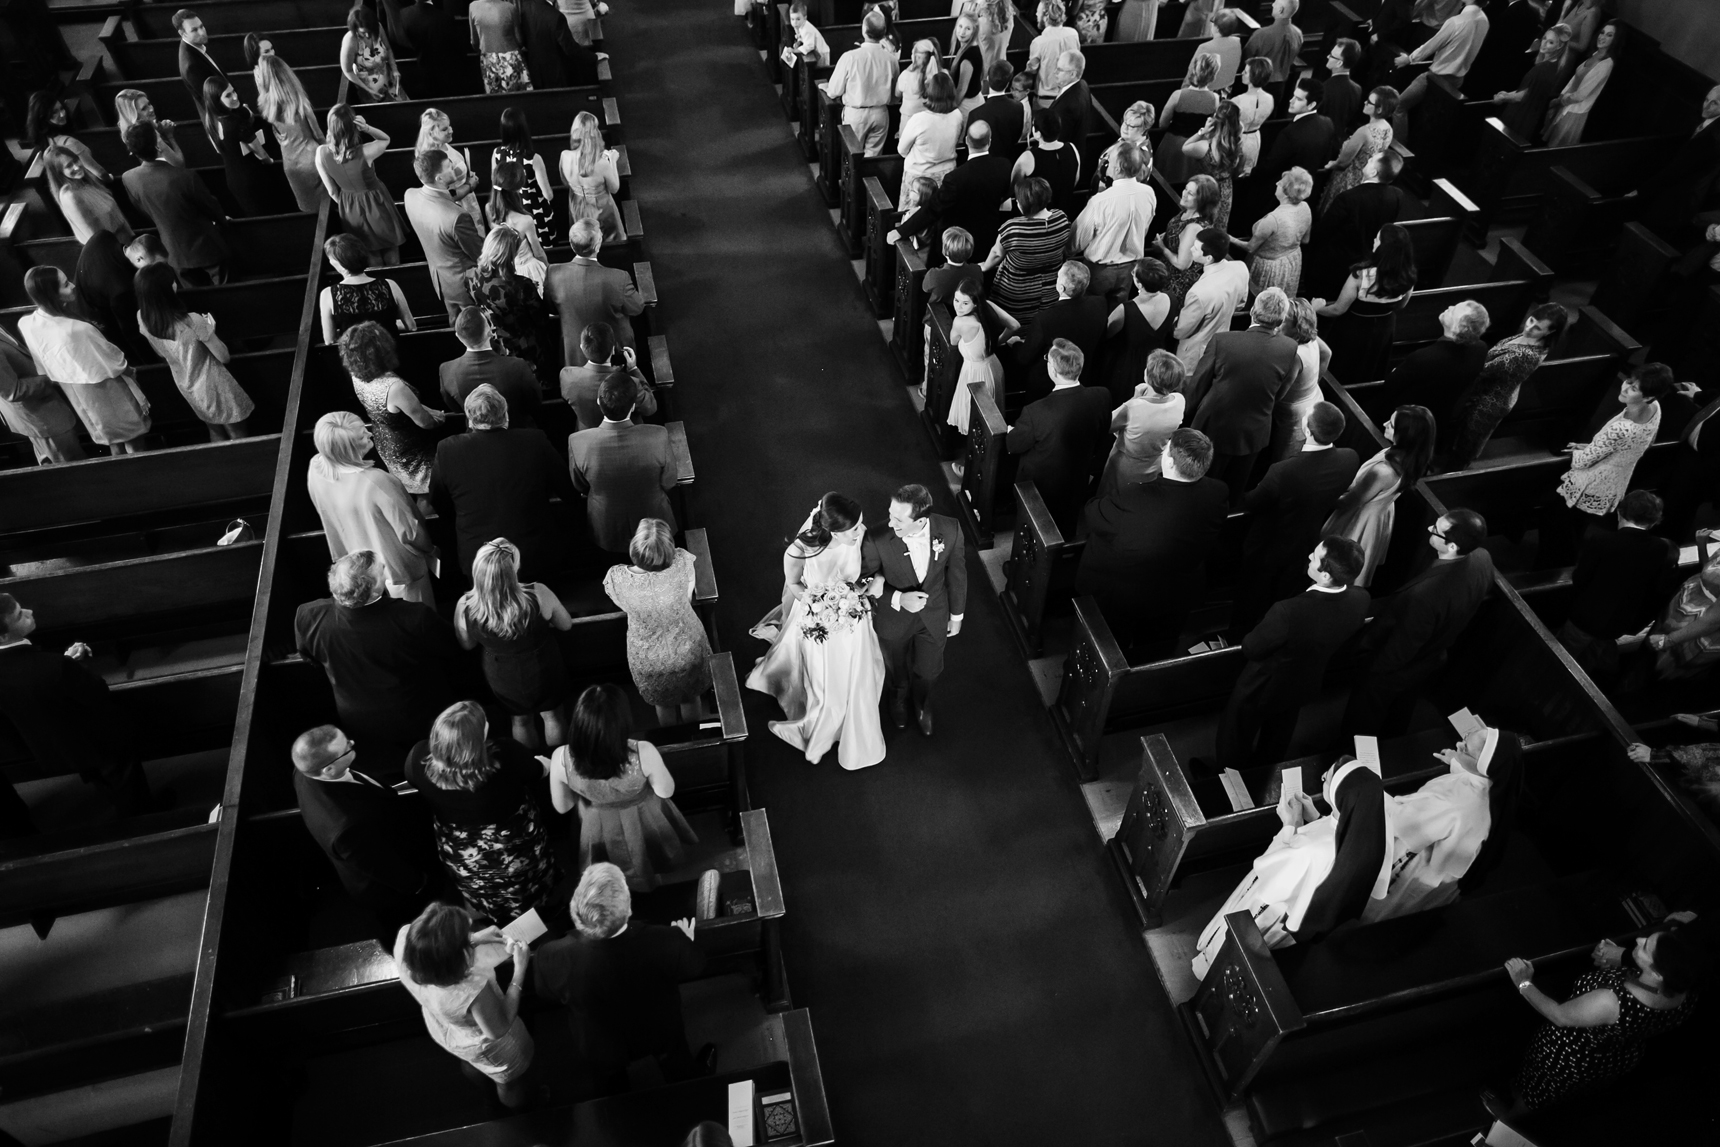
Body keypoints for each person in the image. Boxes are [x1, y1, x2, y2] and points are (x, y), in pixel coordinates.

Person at [1190, 747, 1388, 979]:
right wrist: (1313, 816)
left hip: (1274, 910)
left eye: (1329, 776)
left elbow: (1270, 871)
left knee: (1235, 943)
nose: (1323, 777)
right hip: (1306, 914)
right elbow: (1336, 838)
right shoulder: (1366, 833)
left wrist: (1289, 823)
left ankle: (1209, 967)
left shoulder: (1311, 851)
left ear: (1340, 792)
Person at [531, 863, 713, 1096]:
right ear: (627, 909)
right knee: (675, 1058)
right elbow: (696, 966)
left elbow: (546, 993)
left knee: (609, 1082)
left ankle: (618, 1108)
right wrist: (683, 941)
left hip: (599, 1040)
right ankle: (690, 1085)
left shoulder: (550, 955)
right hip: (658, 1028)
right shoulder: (667, 940)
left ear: (576, 911)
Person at [747, 493, 887, 767]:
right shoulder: (799, 550)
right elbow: (794, 584)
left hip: (852, 617)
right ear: (833, 530)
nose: (861, 531)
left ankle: (854, 720)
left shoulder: (859, 535)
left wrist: (874, 581)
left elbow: (870, 571)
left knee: (856, 674)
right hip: (816, 620)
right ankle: (820, 726)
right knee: (825, 681)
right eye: (854, 528)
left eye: (860, 524)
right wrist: (818, 605)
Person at [0, 594, 157, 838]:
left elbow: (28, 684)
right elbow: (97, 692)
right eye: (20, 615)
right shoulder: (55, 667)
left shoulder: (48, 665)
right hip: (99, 740)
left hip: (56, 747)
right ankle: (143, 826)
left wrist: (63, 664)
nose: (30, 612)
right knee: (127, 785)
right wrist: (73, 667)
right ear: (4, 635)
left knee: (100, 780)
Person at [295, 551, 463, 776]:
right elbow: (451, 648)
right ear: (374, 587)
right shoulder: (413, 617)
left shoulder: (308, 615)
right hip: (418, 712)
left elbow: (309, 657)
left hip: (359, 718)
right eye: (381, 570)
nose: (385, 572)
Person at [1214, 535, 1372, 773]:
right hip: (1305, 682)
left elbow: (1251, 647)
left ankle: (1227, 777)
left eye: (1315, 556)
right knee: (1279, 733)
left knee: (1235, 734)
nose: (1309, 555)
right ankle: (1263, 772)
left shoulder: (1288, 612)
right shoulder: (1361, 599)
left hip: (1263, 685)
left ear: (1326, 575)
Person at [1502, 924, 1700, 1110]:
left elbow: (1559, 1015)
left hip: (1569, 1055)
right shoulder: (1685, 993)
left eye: (1645, 947)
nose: (1639, 939)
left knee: (1533, 1096)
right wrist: (1611, 967)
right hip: (1613, 1058)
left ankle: (1507, 1121)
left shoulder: (1612, 1002)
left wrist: (1523, 983)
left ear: (1657, 974)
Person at [1078, 427, 1229, 660]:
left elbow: (1092, 513)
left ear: (1168, 461)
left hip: (1127, 597)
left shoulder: (1134, 498)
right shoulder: (1218, 493)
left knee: (1112, 648)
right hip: (1178, 593)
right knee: (1155, 652)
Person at [407, 699, 561, 923]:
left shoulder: (417, 757)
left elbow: (413, 781)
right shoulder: (505, 755)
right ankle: (533, 916)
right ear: (479, 738)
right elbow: (538, 772)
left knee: (477, 884)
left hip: (461, 849)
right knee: (522, 885)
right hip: (512, 846)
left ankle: (485, 913)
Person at [1344, 508, 1497, 734]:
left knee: (1363, 718)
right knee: (1399, 710)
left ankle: (1347, 755)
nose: (1429, 529)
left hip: (1395, 667)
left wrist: (1370, 669)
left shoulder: (1424, 596)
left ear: (1452, 547)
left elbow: (1400, 649)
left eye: (1435, 530)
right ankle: (1392, 738)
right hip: (1431, 656)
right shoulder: (1483, 558)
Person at [1364, 720, 1522, 921]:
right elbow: (1475, 780)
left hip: (1421, 868)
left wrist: (1366, 788)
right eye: (1465, 740)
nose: (1458, 746)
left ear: (1482, 764)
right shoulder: (1499, 785)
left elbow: (1401, 821)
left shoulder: (1454, 804)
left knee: (1382, 908)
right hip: (1450, 874)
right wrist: (1458, 762)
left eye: (1465, 749)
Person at [547, 683, 701, 888]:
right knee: (647, 854)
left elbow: (563, 806)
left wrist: (591, 791)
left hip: (596, 822)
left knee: (604, 863)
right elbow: (665, 790)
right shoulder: (642, 752)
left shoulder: (561, 757)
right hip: (643, 816)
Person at [292, 724, 436, 938]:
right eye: (347, 748)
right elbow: (384, 867)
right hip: (388, 888)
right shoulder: (346, 827)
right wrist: (418, 884)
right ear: (328, 770)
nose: (353, 745)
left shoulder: (304, 772)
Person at [1233, 402, 1361, 637]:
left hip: (1268, 544)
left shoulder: (1283, 471)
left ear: (1307, 430)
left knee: (1252, 594)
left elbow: (1253, 502)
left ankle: (1240, 634)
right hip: (1306, 541)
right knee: (1283, 591)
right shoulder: (1349, 459)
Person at [395, 903, 536, 1106]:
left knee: (474, 1063)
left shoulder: (406, 940)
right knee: (510, 1083)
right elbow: (500, 1026)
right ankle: (524, 1113)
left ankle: (483, 1083)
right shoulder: (470, 990)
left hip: (447, 1028)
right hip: (486, 1043)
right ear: (458, 959)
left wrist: (473, 939)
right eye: (466, 935)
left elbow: (431, 946)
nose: (470, 934)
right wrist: (520, 970)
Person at [433, 384, 576, 581]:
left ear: (469, 419)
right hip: (533, 552)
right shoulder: (534, 441)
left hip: (479, 557)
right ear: (505, 414)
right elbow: (567, 489)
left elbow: (439, 501)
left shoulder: (447, 450)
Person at [861, 484, 966, 738]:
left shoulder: (949, 529)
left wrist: (956, 615)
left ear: (921, 520)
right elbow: (862, 581)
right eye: (890, 513)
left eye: (898, 519)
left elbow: (957, 573)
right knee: (896, 669)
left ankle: (922, 703)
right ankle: (897, 699)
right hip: (893, 619)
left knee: (929, 670)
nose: (890, 522)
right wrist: (898, 597)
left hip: (935, 615)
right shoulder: (877, 537)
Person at [17, 267, 151, 455]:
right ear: (51, 295)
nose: (72, 286)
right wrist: (130, 371)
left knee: (112, 439)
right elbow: (113, 360)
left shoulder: (27, 323)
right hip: (107, 388)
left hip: (75, 390)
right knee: (133, 438)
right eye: (65, 285)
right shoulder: (77, 329)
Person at [455, 539, 574, 749]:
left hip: (501, 672)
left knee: (519, 720)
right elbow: (565, 625)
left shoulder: (466, 605)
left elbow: (467, 645)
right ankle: (557, 761)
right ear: (514, 569)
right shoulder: (538, 593)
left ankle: (532, 766)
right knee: (553, 716)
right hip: (542, 666)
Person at [307, 412, 436, 605]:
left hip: (354, 564)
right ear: (348, 449)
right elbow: (410, 532)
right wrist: (430, 548)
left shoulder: (316, 467)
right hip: (396, 565)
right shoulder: (377, 482)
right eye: (362, 436)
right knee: (417, 616)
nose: (370, 434)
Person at [1544, 365, 1667, 565]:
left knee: (1560, 529)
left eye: (1634, 389)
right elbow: (1646, 442)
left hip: (1591, 481)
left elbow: (1583, 462)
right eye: (1629, 381)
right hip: (1617, 478)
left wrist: (1580, 451)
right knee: (1574, 528)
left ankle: (1551, 571)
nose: (1625, 388)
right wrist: (1600, 447)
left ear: (1647, 397)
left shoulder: (1622, 429)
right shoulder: (1655, 407)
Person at [1185, 287, 1299, 500]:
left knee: (1197, 487)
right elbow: (1279, 392)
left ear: (1253, 311)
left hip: (1213, 428)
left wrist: (1186, 417)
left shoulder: (1224, 341)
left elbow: (1197, 386)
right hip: (1253, 433)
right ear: (1281, 319)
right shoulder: (1289, 348)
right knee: (1232, 493)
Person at [1556, 490, 1677, 685]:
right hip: (1618, 622)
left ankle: (1553, 684)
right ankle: (1579, 685)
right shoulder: (1660, 548)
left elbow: (1581, 578)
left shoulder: (1603, 541)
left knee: (1562, 655)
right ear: (1654, 521)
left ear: (1620, 513)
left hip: (1585, 617)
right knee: (1591, 659)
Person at [604, 519, 714, 724]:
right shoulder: (682, 561)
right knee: (691, 699)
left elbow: (623, 605)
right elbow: (688, 595)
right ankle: (695, 741)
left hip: (647, 655)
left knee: (663, 704)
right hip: (686, 646)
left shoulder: (616, 577)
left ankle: (673, 743)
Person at [133, 262, 253, 440]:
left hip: (185, 383)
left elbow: (160, 353)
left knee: (214, 429)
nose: (175, 283)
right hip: (213, 381)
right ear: (165, 290)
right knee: (237, 431)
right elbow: (224, 356)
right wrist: (209, 328)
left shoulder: (142, 317)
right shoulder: (192, 321)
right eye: (172, 282)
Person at [1442, 303, 1569, 470]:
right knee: (1465, 430)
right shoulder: (1531, 338)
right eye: (1530, 320)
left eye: (1537, 327)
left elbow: (1485, 370)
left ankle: (1455, 469)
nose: (1529, 327)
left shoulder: (1524, 355)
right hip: (1492, 388)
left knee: (1470, 437)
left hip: (1490, 401)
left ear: (1550, 332)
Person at [1323, 404, 1435, 587]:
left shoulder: (1383, 472)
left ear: (1405, 435)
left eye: (1391, 424)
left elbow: (1347, 503)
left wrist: (1319, 493)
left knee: (1336, 567)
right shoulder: (1411, 457)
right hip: (1379, 513)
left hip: (1360, 519)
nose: (1384, 424)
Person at [1006, 339, 1112, 534]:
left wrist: (1011, 431)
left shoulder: (1036, 412)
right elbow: (1102, 433)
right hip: (1077, 477)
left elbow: (1013, 444)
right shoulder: (1101, 396)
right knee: (1066, 524)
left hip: (1040, 487)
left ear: (1053, 371)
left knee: (1035, 532)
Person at [569, 374, 679, 557]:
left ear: (599, 401)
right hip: (653, 522)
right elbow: (669, 481)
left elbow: (580, 485)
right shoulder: (658, 435)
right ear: (634, 406)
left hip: (606, 526)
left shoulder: (577, 441)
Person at [341, 322, 445, 496]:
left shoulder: (355, 374)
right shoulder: (394, 387)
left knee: (410, 487)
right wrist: (440, 418)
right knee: (429, 489)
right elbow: (425, 423)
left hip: (384, 438)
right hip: (409, 447)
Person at [120, 122, 228, 285]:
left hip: (173, 252)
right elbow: (211, 207)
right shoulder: (185, 177)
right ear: (157, 144)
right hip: (206, 247)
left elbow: (142, 210)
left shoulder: (129, 178)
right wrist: (223, 223)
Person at [1315, 222, 1418, 384]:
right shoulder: (1408, 274)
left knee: (1344, 364)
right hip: (1384, 327)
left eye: (1377, 239)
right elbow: (1401, 305)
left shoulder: (1361, 275)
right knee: (1371, 364)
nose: (1374, 241)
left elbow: (1338, 309)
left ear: (1385, 248)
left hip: (1355, 327)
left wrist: (1316, 308)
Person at [894, 122, 1013, 260]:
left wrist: (901, 231)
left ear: (967, 140)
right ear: (990, 141)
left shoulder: (955, 178)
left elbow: (933, 209)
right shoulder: (1004, 166)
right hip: (988, 239)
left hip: (956, 243)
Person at [1307, 148, 1409, 299]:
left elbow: (1323, 231)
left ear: (1374, 172)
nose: (1368, 160)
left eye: (1371, 160)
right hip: (1366, 258)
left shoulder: (1348, 198)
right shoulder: (1397, 196)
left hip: (1335, 262)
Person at [1376, 299, 1488, 432]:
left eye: (1453, 311)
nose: (1450, 306)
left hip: (1404, 419)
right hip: (1437, 419)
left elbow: (1390, 386)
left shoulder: (1423, 358)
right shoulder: (1481, 349)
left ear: (1460, 328)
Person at [546, 219, 646, 367]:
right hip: (613, 352)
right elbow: (637, 308)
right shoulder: (619, 278)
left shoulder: (553, 273)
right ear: (597, 245)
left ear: (571, 244)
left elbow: (551, 308)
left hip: (575, 353)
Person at [316, 105, 408, 268]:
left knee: (368, 250)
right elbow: (385, 139)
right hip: (376, 201)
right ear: (353, 127)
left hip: (349, 205)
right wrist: (366, 127)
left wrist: (346, 203)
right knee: (389, 244)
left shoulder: (321, 153)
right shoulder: (366, 151)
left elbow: (331, 191)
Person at [1390, 0, 1491, 146]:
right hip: (1458, 79)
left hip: (1436, 78)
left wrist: (1409, 59)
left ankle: (1399, 150)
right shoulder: (1484, 20)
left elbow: (1432, 45)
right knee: (1431, 121)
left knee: (1399, 106)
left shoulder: (1456, 22)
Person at [1071, 143, 1156, 307]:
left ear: (1117, 169)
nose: (1106, 163)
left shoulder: (1101, 200)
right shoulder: (1148, 193)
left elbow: (1079, 236)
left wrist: (1067, 252)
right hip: (1130, 269)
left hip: (1100, 270)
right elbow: (1144, 227)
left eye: (1109, 160)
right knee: (1116, 314)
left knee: (1091, 311)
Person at [405, 148, 484, 322]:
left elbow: (443, 197)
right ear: (439, 178)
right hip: (464, 284)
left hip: (440, 279)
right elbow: (479, 253)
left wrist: (469, 186)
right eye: (449, 166)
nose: (454, 166)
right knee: (475, 328)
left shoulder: (410, 196)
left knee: (454, 322)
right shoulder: (457, 217)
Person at [1245, 78, 1333, 232]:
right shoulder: (1327, 124)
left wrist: (1249, 173)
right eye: (1293, 96)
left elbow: (1270, 165)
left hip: (1278, 194)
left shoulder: (1290, 133)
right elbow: (1325, 158)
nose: (1291, 101)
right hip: (1305, 194)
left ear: (1311, 104)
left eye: (1298, 99)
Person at [1013, 261, 1106, 403]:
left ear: (1060, 287)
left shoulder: (1044, 319)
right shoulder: (1100, 304)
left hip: (1049, 387)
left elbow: (1025, 357)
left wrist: (1015, 344)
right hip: (1085, 376)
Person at [983, 177, 1071, 322]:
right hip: (1051, 286)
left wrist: (985, 267)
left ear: (1025, 203)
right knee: (1042, 322)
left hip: (1017, 290)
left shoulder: (1013, 228)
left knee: (1012, 324)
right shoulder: (1061, 218)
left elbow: (996, 253)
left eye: (1017, 199)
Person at [439, 306, 541, 429]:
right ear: (490, 332)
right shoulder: (517, 365)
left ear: (458, 336)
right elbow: (535, 402)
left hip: (475, 438)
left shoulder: (446, 370)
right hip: (519, 432)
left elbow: (456, 408)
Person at [1098, 259, 1179, 408]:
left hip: (1127, 367)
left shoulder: (1126, 309)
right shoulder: (1171, 299)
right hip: (1158, 362)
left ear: (1139, 284)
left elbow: (1107, 334)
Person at [1172, 227, 1251, 377]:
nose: (1191, 249)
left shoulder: (1199, 293)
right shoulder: (1240, 267)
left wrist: (1174, 320)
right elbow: (1241, 304)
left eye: (1195, 248)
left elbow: (1180, 331)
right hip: (1222, 343)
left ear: (1208, 258)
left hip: (1194, 355)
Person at [0, 328, 84, 465]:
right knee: (70, 466)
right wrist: (52, 377)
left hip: (42, 411)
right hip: (39, 416)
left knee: (52, 460)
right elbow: (13, 391)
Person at [256, 54, 328, 214]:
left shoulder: (266, 105)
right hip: (311, 160)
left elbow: (278, 134)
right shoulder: (300, 105)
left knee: (310, 211)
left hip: (290, 165)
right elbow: (319, 136)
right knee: (327, 208)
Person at [942, 278, 1013, 434]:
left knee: (973, 414)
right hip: (993, 365)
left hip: (974, 373)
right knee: (988, 416)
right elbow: (1014, 325)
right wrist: (995, 342)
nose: (958, 306)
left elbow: (952, 342)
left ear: (975, 303)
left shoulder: (961, 322)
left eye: (964, 303)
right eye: (956, 300)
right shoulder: (988, 307)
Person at [825, 10, 898, 158]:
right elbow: (895, 95)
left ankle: (854, 181)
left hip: (856, 114)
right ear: (884, 33)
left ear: (864, 30)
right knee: (873, 159)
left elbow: (834, 91)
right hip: (880, 113)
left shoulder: (850, 57)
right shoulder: (891, 59)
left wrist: (827, 88)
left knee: (852, 158)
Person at [318, 233, 415, 344]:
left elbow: (329, 340)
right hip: (392, 354)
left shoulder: (328, 294)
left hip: (354, 358)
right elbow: (411, 326)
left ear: (338, 263)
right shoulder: (390, 285)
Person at [562, 322, 656, 431]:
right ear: (613, 350)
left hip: (588, 431)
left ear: (582, 347)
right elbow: (650, 407)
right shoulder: (631, 383)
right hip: (627, 431)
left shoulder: (566, 377)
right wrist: (633, 369)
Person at [1320, 85, 1397, 215]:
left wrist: (1329, 165)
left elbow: (1343, 163)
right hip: (1366, 181)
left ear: (1379, 109)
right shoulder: (1388, 128)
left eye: (1369, 102)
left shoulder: (1364, 132)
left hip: (1347, 181)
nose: (1365, 102)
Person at [1543, 20, 1620, 147]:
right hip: (1564, 106)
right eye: (1602, 32)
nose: (1602, 37)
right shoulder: (1594, 55)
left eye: (1609, 35)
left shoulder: (1606, 64)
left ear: (1615, 40)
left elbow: (1580, 96)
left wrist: (1559, 101)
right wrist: (1560, 98)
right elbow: (1574, 80)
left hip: (1573, 112)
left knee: (1555, 149)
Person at [1152, 174, 1223, 308]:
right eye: (1185, 189)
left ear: (1201, 201)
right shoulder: (1187, 212)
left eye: (1190, 193)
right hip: (1166, 271)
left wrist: (1162, 247)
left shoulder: (1193, 227)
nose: (1184, 194)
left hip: (1175, 284)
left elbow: (1181, 264)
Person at [1242, 168, 1314, 298]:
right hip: (1291, 262)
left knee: (1264, 301)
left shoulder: (1273, 219)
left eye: (1280, 183)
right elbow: (1305, 240)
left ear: (1286, 192)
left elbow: (1250, 247)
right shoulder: (1305, 207)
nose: (1276, 184)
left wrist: (1228, 238)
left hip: (1269, 268)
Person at [896, 74, 963, 213]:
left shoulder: (919, 119)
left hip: (919, 176)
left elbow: (902, 149)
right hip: (946, 174)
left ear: (930, 92)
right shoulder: (957, 115)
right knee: (939, 217)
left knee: (912, 217)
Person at [1493, 25, 1571, 143]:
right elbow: (1528, 90)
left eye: (1550, 42)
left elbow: (1522, 96)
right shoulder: (1553, 66)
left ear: (1559, 46)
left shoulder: (1542, 68)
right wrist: (1507, 94)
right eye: (1544, 38)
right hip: (1528, 119)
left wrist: (1504, 97)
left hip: (1519, 116)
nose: (1543, 44)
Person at [418, 108, 488, 233]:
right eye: (444, 129)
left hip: (468, 201)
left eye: (449, 126)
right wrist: (469, 185)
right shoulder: (433, 157)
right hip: (458, 208)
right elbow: (446, 195)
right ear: (431, 133)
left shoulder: (443, 144)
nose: (451, 130)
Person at [492, 109, 556, 243]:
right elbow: (548, 195)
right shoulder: (533, 158)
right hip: (534, 213)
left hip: (508, 214)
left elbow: (496, 184)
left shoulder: (497, 154)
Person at [562, 110, 624, 244]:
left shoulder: (565, 156)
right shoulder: (601, 164)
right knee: (607, 241)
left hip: (576, 204)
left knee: (584, 241)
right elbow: (614, 188)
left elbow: (564, 181)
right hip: (600, 208)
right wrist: (612, 160)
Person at [43, 147, 128, 244]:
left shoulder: (86, 181)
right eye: (69, 166)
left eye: (75, 160)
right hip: (113, 246)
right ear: (59, 173)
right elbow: (94, 237)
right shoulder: (70, 197)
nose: (76, 167)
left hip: (124, 238)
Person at [1010, 110, 1081, 220]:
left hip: (1037, 219)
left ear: (1037, 133)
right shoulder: (1072, 148)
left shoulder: (1028, 158)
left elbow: (1016, 188)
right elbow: (1075, 180)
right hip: (1065, 216)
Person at [399, 0, 479, 97]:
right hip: (450, 78)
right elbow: (460, 49)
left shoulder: (404, 14)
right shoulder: (445, 18)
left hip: (423, 74)